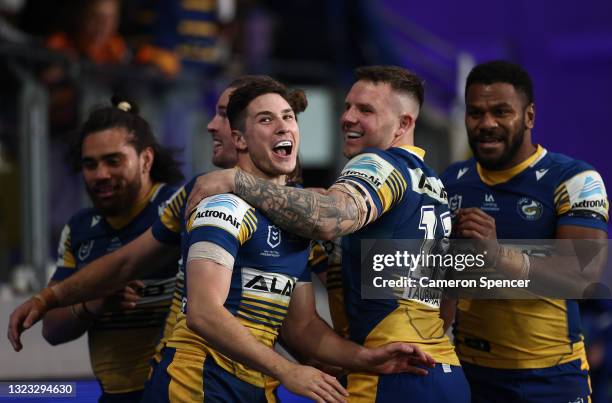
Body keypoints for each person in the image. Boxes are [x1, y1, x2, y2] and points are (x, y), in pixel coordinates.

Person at [8, 76, 435, 402]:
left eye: (288, 118)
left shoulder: (299, 214)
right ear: (240, 138)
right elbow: (201, 312)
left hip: (252, 384)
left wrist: (364, 359)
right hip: (197, 382)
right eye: (265, 118)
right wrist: (50, 298)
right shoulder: (219, 203)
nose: (212, 124)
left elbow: (301, 325)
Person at [182, 65, 471, 402]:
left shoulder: (378, 163)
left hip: (392, 375)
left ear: (404, 124)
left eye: (365, 110)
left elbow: (330, 219)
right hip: (439, 368)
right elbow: (446, 303)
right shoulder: (432, 186)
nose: (347, 117)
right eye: (348, 106)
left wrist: (237, 180)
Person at [440, 60, 609, 402]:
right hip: (471, 375)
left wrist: (499, 254)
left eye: (501, 112)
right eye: (476, 113)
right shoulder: (451, 181)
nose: (487, 124)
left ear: (529, 116)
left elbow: (584, 275)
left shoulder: (576, 180)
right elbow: (443, 283)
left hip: (551, 378)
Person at [41, 96, 184, 402]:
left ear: (146, 160)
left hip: (182, 393)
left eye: (113, 160)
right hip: (114, 395)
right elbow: (51, 330)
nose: (100, 174)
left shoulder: (182, 207)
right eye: (89, 164)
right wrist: (93, 303)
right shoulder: (79, 229)